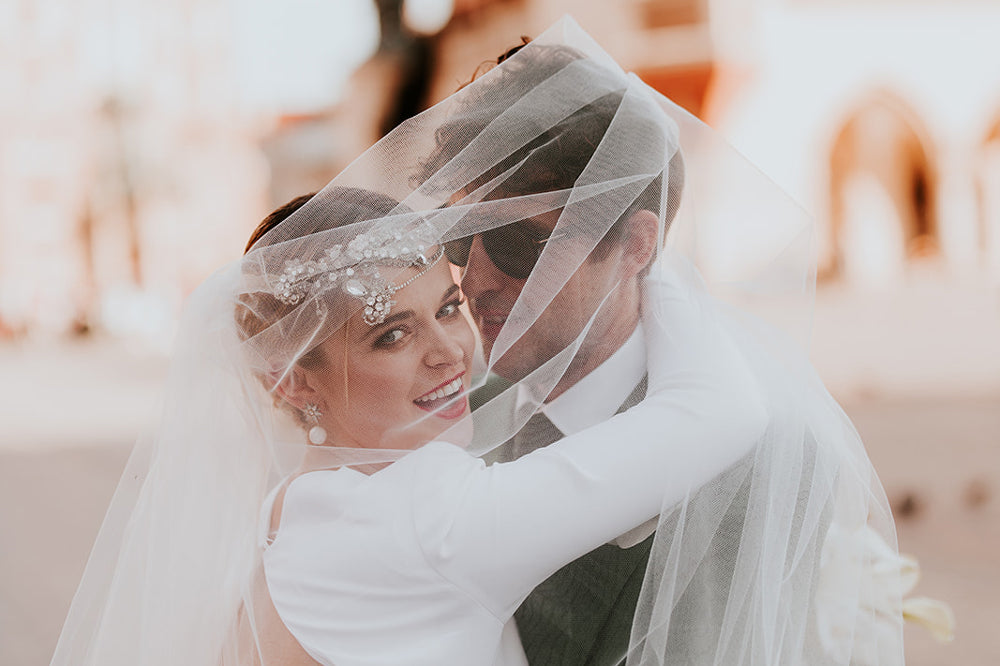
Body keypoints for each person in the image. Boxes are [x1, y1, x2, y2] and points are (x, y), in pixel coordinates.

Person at [50, 16, 905, 666]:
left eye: (521, 244)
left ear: (633, 244)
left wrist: (635, 231)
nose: (476, 295)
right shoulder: (439, 497)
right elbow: (715, 410)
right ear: (290, 382)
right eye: (464, 242)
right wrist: (658, 263)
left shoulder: (308, 501)